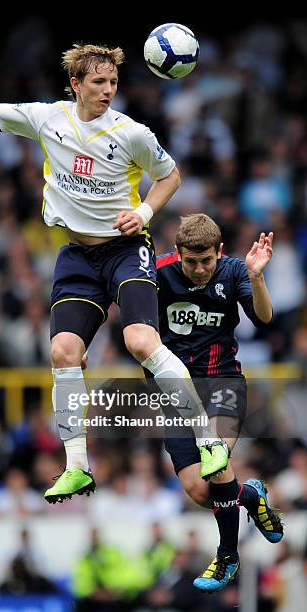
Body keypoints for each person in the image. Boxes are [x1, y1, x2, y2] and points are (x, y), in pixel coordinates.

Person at [0, 45, 228, 503]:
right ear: (76, 85)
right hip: (77, 258)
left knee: (141, 341)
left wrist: (144, 211)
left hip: (126, 252)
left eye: (113, 83)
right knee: (63, 351)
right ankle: (77, 467)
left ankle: (208, 442)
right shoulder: (48, 119)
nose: (108, 91)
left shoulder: (132, 134)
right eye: (98, 83)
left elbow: (171, 176)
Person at [148, 213, 283, 592]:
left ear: (218, 252)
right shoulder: (157, 274)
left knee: (216, 461)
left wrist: (257, 277)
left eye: (206, 260)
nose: (199, 269)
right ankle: (250, 495)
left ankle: (227, 556)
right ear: (178, 254)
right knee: (200, 491)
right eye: (191, 262)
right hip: (174, 395)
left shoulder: (235, 270)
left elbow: (264, 318)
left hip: (222, 383)